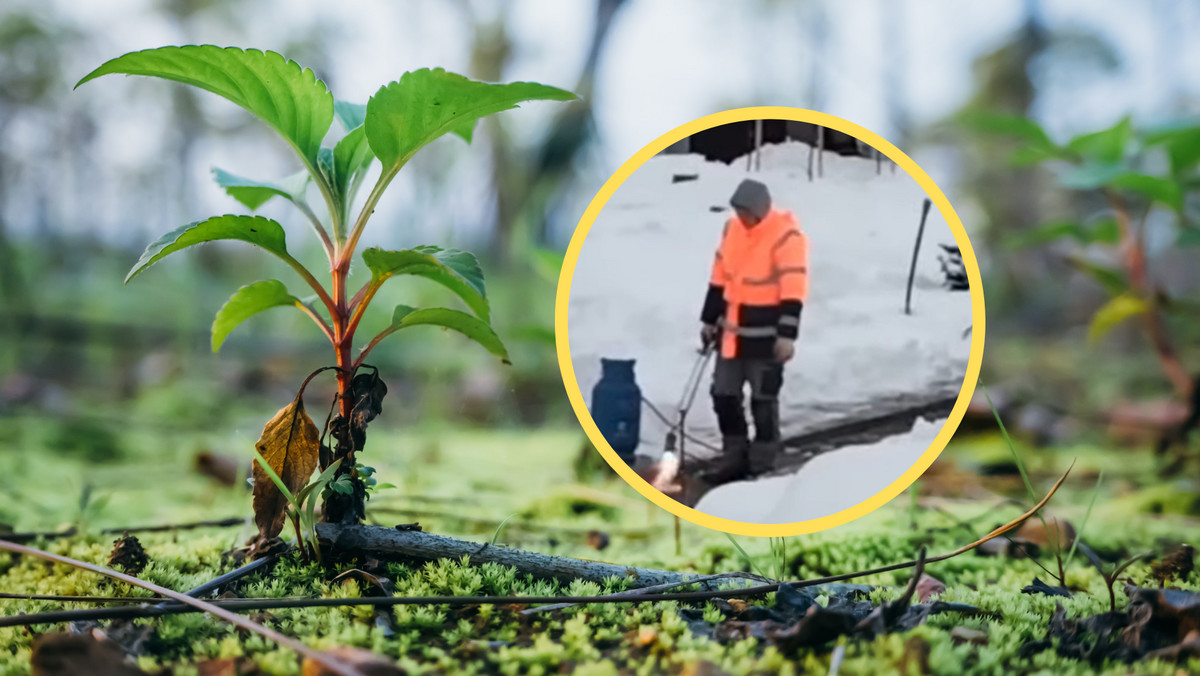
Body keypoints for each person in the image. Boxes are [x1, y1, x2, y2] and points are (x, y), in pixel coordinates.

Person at [699, 178, 809, 482]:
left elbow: (793, 288)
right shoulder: (732, 230)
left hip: (766, 337)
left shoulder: (786, 236)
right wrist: (710, 320)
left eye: (746, 212)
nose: (741, 217)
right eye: (738, 211)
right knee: (724, 396)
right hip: (731, 335)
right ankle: (733, 458)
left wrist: (787, 336)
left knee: (763, 400)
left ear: (760, 210)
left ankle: (762, 462)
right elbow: (719, 276)